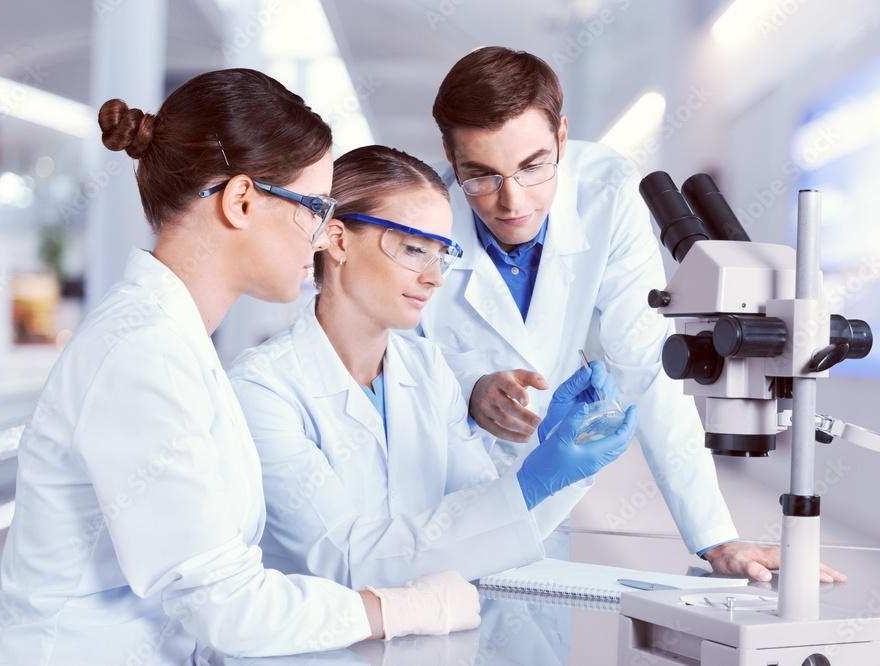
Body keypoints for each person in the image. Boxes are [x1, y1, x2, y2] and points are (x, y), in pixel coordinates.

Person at [0, 70, 481, 666]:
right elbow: (226, 607)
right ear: (242, 201)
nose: (322, 238)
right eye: (315, 208)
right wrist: (406, 610)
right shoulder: (142, 354)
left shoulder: (178, 342)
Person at [418, 46, 844, 582]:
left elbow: (648, 362)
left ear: (563, 138)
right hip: (430, 492)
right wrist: (467, 387)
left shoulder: (607, 191)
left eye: (533, 167)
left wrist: (714, 536)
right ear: (450, 158)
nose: (511, 200)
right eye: (479, 175)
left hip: (547, 490)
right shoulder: (420, 213)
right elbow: (387, 351)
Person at [228, 144, 638, 589]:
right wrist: (533, 481)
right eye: (412, 249)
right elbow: (346, 558)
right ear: (338, 240)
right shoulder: (263, 389)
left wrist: (552, 457)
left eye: (440, 253)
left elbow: (484, 535)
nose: (435, 276)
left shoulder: (427, 369)